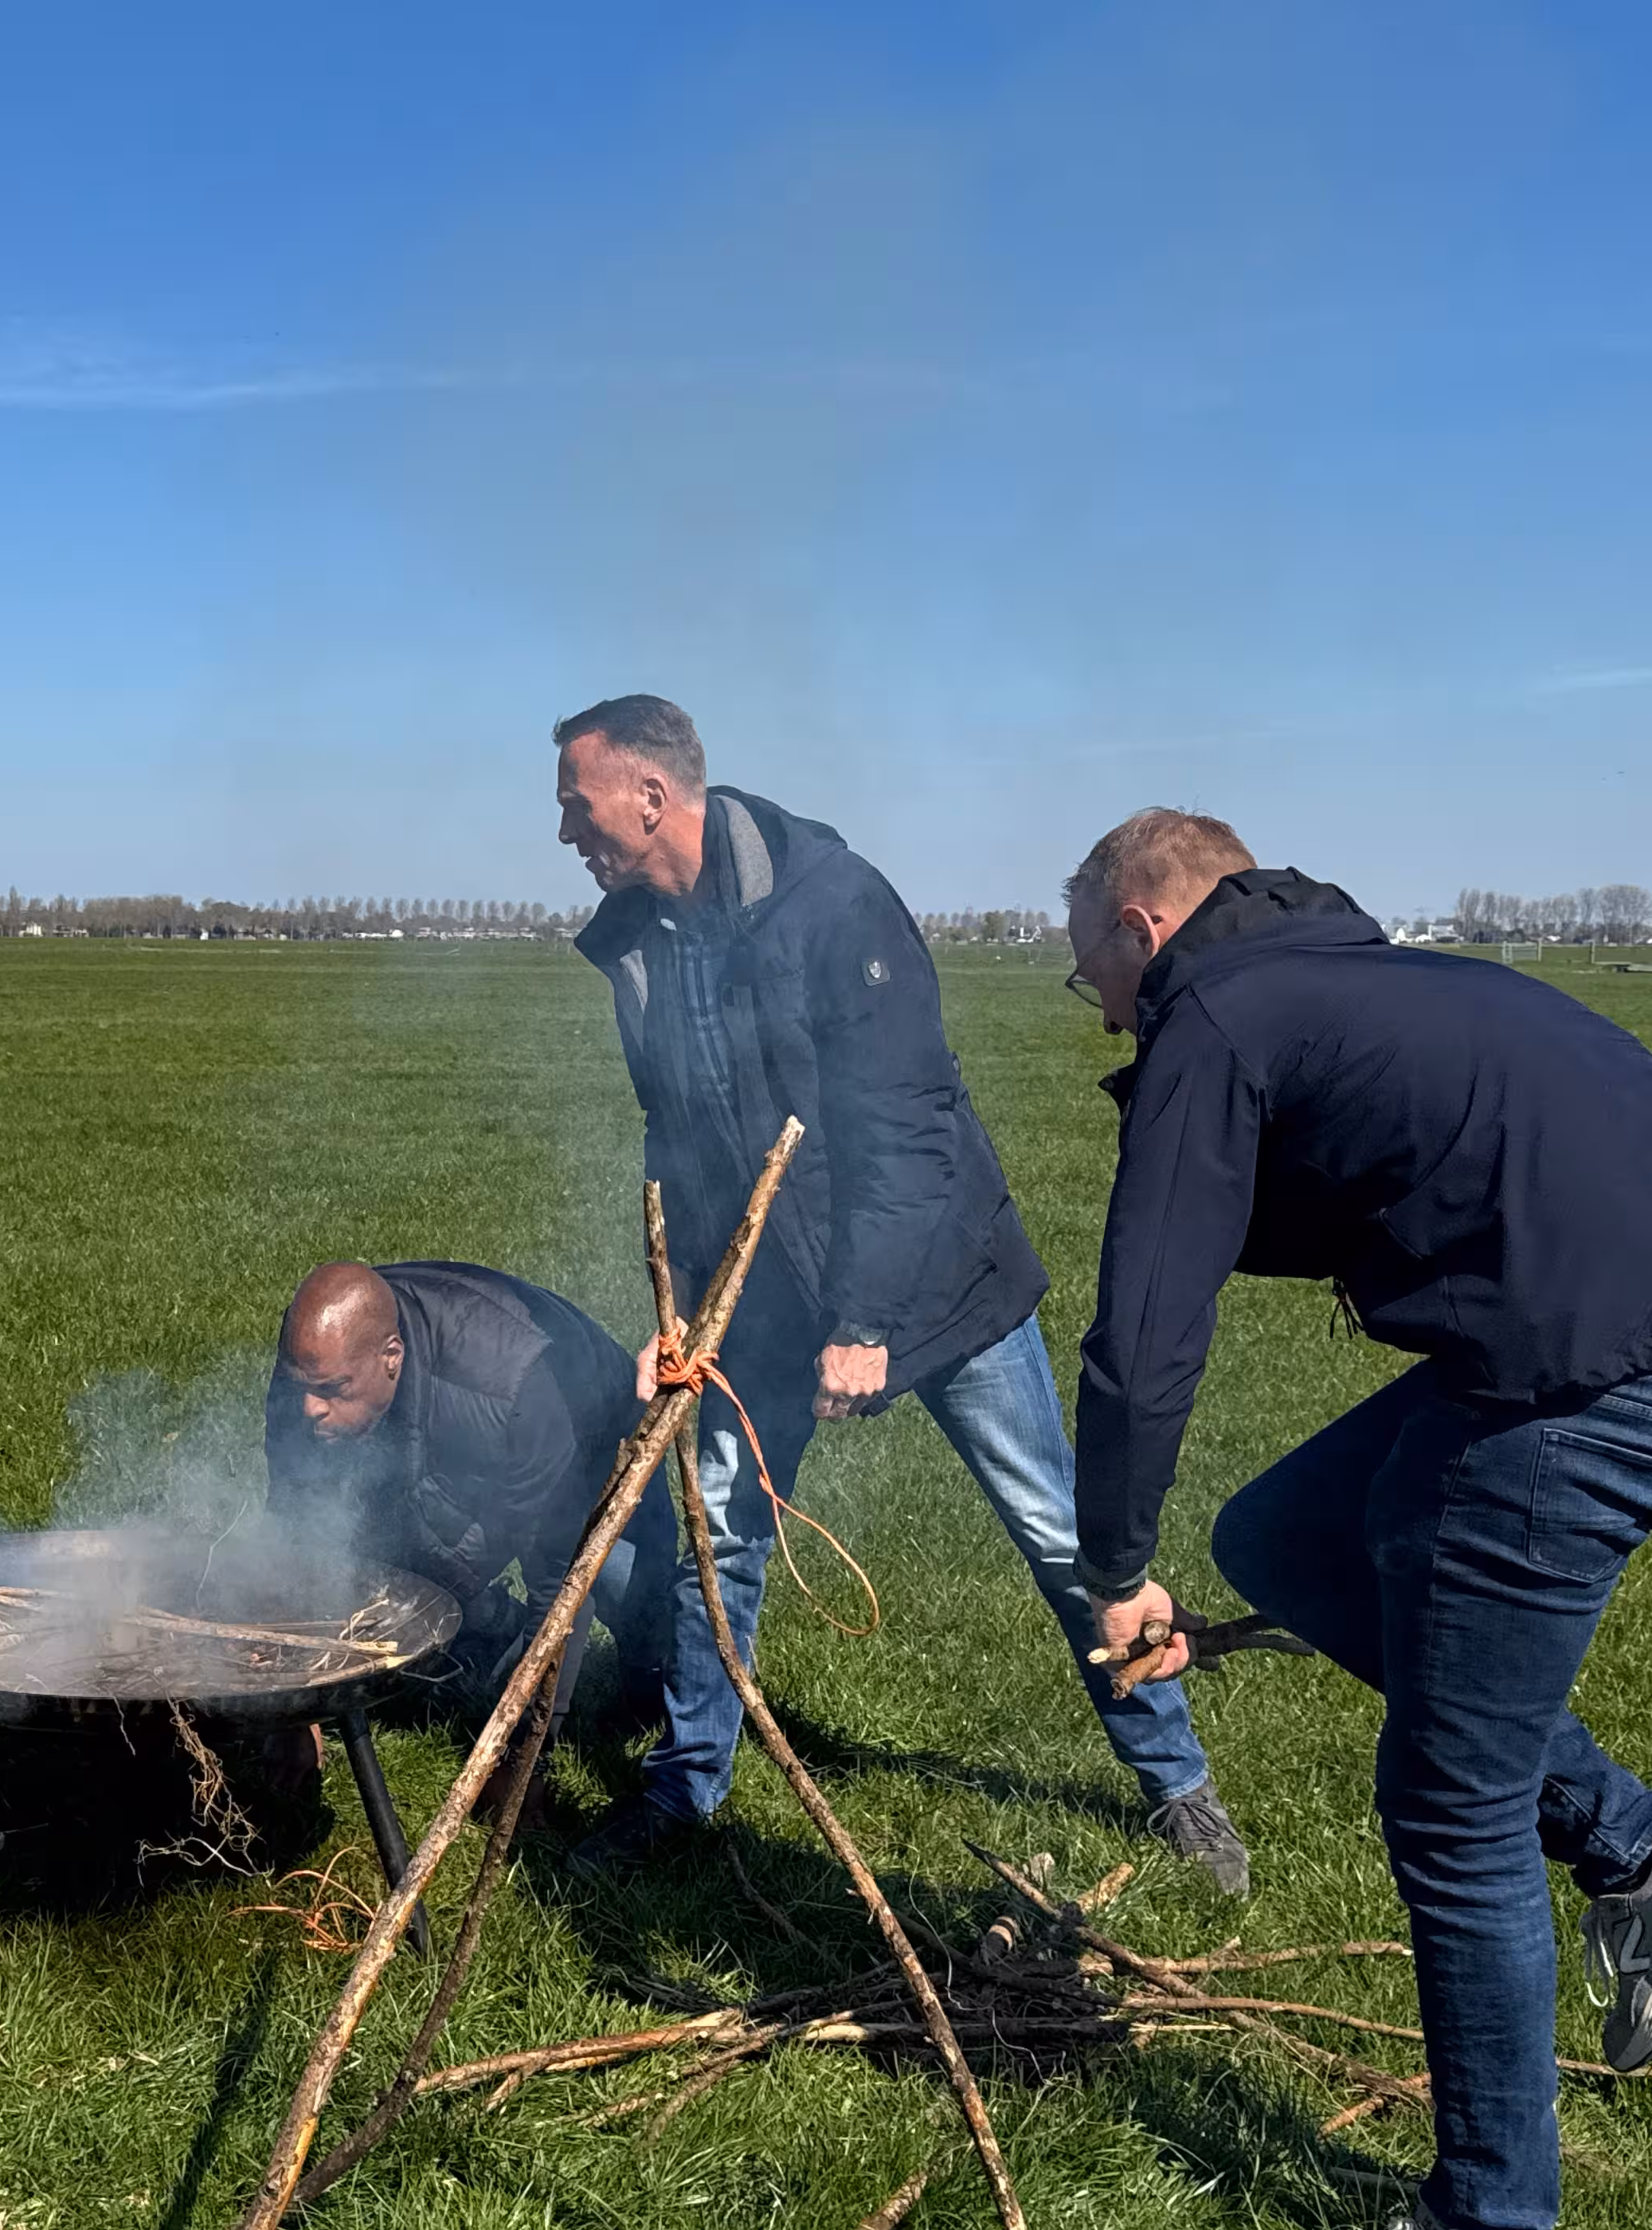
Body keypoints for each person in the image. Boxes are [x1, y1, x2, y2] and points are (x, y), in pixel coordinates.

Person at [1063, 809, 1652, 2230]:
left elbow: (1142, 1338)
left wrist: (1115, 1563)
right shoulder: (1359, 977)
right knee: (1288, 1534)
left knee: (1446, 1801)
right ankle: (1649, 1853)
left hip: (1597, 1377)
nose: (1095, 1005)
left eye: (1087, 974)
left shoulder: (1219, 1008)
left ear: (1142, 925)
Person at [552, 694, 1246, 1886]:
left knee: (1059, 1533)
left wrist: (867, 1317)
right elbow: (675, 1127)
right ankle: (688, 1782)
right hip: (758, 1296)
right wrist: (676, 1305)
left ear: (652, 796)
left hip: (935, 1281)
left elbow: (911, 1127)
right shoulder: (636, 941)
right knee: (719, 1532)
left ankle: (1178, 1785)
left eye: (577, 803)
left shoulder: (830, 901)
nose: (565, 830)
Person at [264, 1260, 677, 1718]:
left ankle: (653, 1694)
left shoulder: (514, 1380)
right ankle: (492, 1624)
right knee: (394, 1569)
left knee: (628, 1587)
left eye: (332, 1389)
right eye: (301, 1387)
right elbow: (293, 1518)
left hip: (587, 1431)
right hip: (466, 1436)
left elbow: (560, 1585)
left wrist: (524, 1753)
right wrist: (295, 1708)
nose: (309, 1408)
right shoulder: (314, 1356)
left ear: (392, 1356)